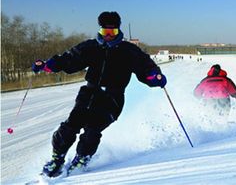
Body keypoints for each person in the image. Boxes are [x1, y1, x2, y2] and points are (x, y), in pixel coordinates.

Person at [31, 11, 167, 177]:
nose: (109, 36)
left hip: (113, 98)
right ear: (100, 31)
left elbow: (146, 68)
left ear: (118, 31)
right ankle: (57, 158)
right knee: (69, 126)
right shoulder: (90, 47)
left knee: (92, 130)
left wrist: (154, 77)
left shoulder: (129, 51)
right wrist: (47, 65)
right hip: (89, 93)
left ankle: (82, 158)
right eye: (105, 32)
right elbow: (69, 60)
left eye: (113, 32)